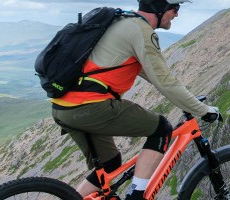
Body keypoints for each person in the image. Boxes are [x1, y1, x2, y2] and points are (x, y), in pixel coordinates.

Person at [49, 0, 219, 199]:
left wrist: (185, 98)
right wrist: (203, 110)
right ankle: (136, 195)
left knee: (110, 164)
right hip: (89, 107)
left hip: (64, 107)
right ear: (160, 7)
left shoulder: (122, 21)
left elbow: (155, 76)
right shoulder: (141, 31)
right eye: (175, 8)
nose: (176, 14)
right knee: (162, 129)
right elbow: (165, 83)